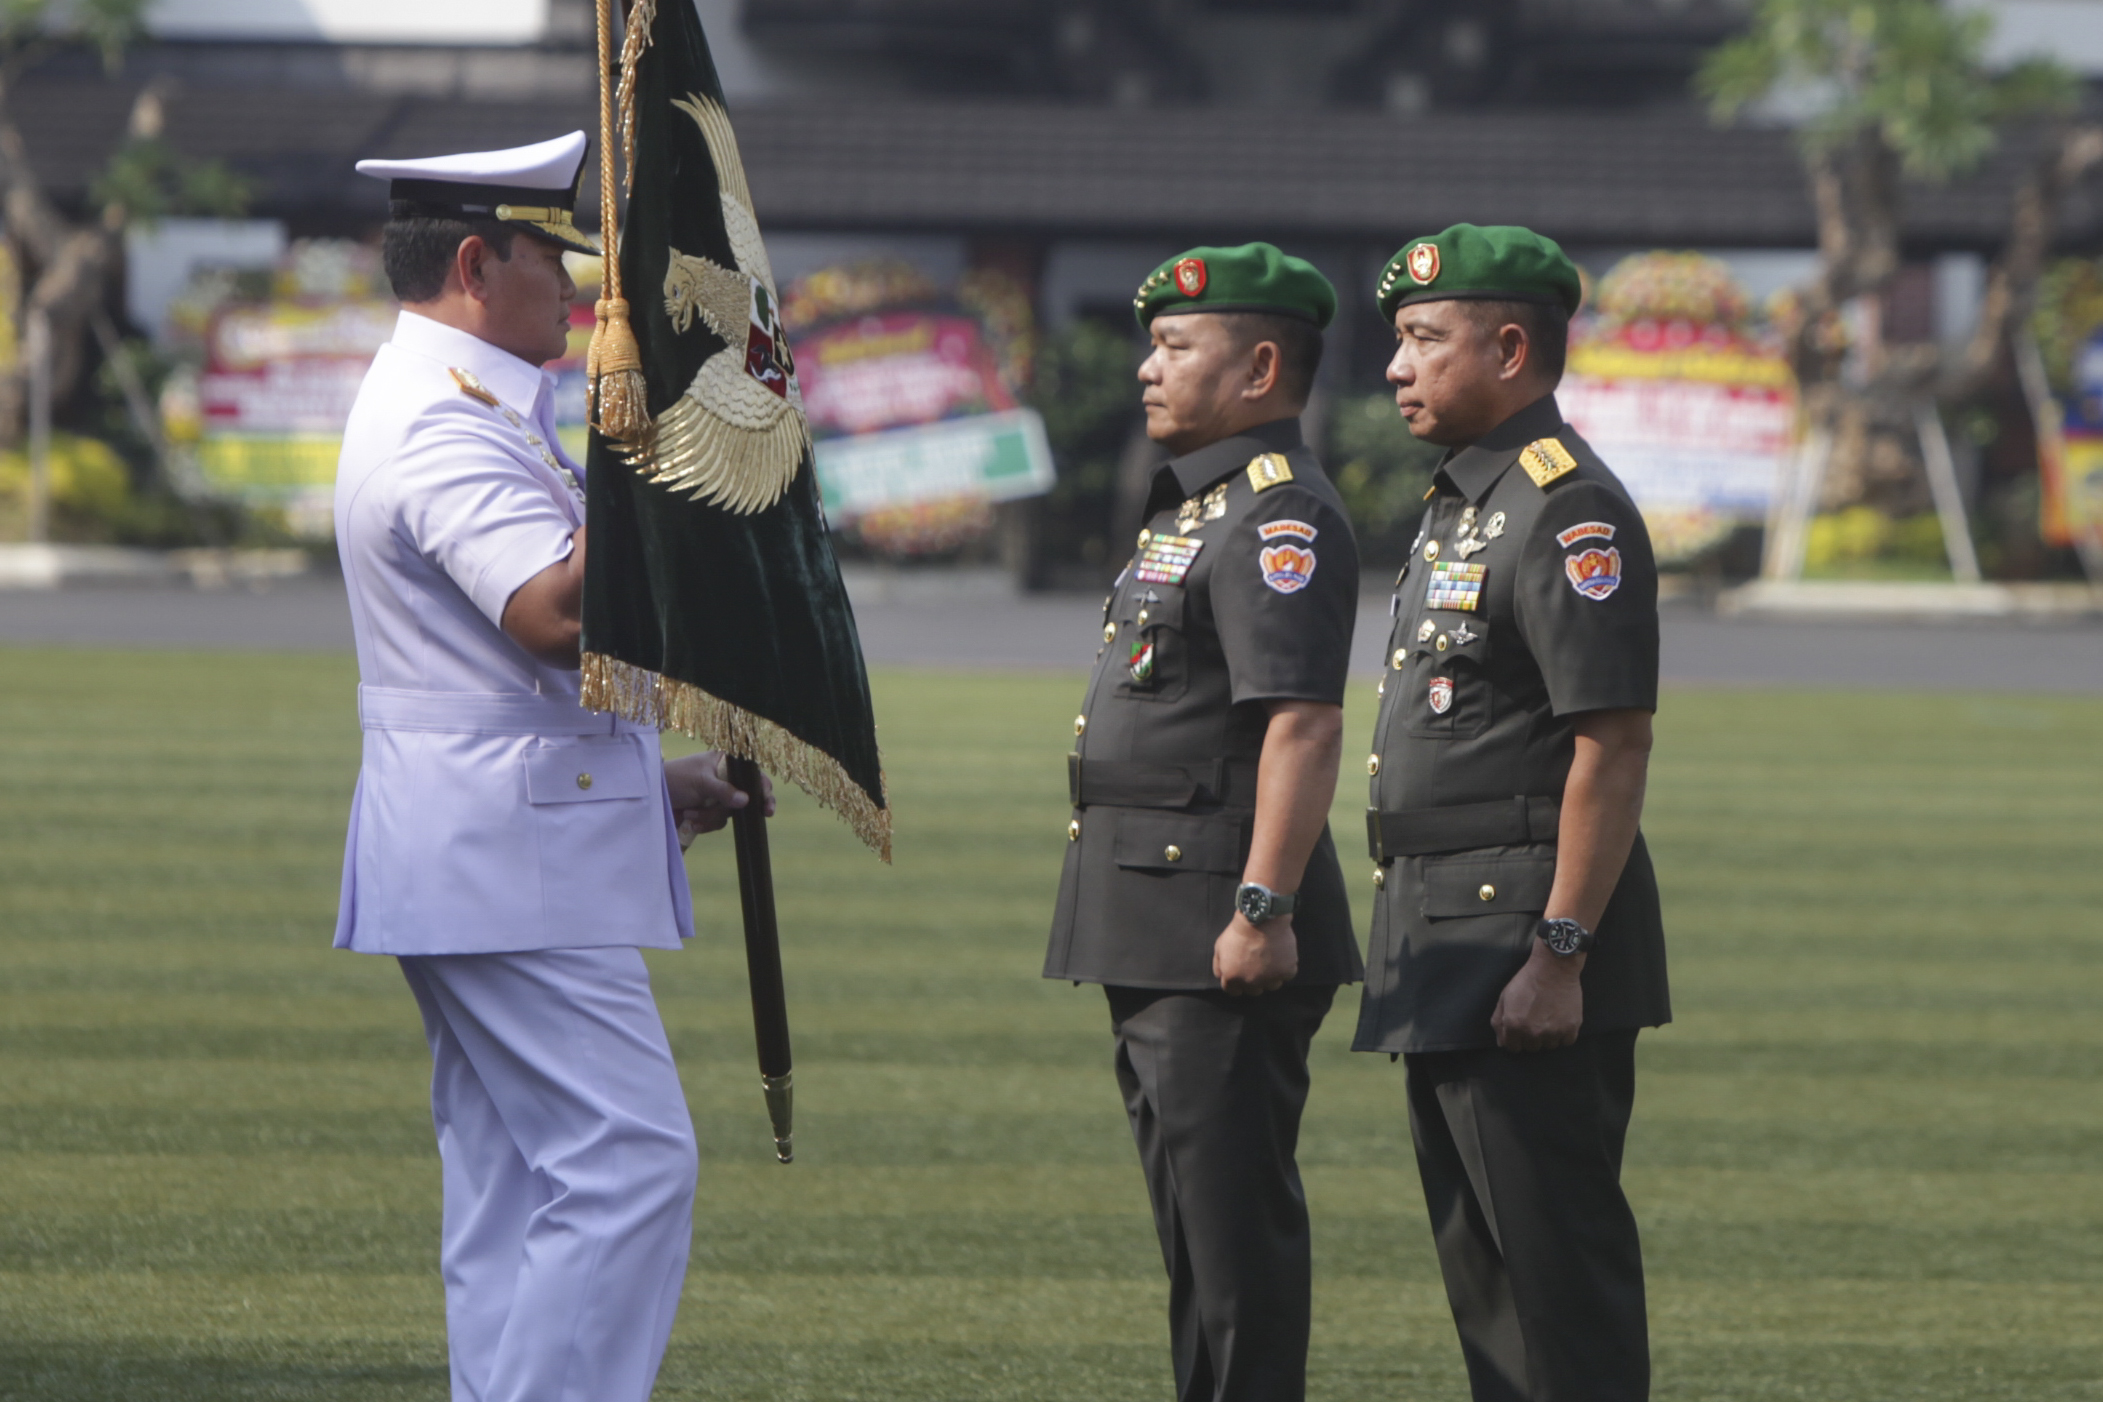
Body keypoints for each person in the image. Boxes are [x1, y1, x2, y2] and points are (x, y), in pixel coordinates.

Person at [332, 131, 770, 1402]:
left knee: (519, 1179)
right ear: (476, 262)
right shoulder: (441, 422)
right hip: (501, 854)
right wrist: (670, 432)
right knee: (629, 1160)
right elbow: (553, 615)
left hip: (495, 839)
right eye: (556, 258)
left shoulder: (458, 401)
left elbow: (509, 675)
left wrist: (654, 784)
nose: (586, 291)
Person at [1355, 223, 1671, 1401]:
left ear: (1508, 345)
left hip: (1522, 945)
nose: (1398, 366)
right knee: (1488, 1289)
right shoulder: (1467, 501)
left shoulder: (1564, 506)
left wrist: (1562, 949)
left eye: (1425, 339)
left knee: (1557, 1285)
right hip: (1442, 934)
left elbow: (1614, 739)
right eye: (1399, 340)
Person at [1044, 242, 1362, 1402]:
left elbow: (1302, 725)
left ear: (1261, 365)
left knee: (1233, 1244)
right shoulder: (1205, 503)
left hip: (1217, 926)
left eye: (1177, 346)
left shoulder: (1278, 513)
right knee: (1192, 1227)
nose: (1146, 368)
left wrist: (1263, 908)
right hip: (1156, 916)